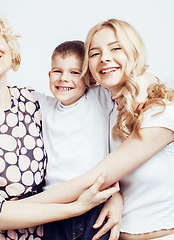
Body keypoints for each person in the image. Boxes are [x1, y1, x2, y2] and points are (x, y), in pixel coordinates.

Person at [0, 3, 118, 240]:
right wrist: (76, 207)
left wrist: (115, 196)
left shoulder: (29, 100)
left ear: (7, 45)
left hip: (45, 234)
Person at [27, 19, 174, 240]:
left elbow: (97, 177)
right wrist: (115, 198)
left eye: (116, 48)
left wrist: (16, 210)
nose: (105, 58)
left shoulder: (162, 111)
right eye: (95, 53)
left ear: (134, 51)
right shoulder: (107, 106)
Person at [36, 40, 123, 240]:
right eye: (57, 71)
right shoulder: (43, 105)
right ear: (49, 75)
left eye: (75, 72)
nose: (64, 78)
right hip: (54, 210)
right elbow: (5, 94)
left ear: (90, 78)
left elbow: (130, 77)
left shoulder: (99, 98)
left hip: (95, 207)